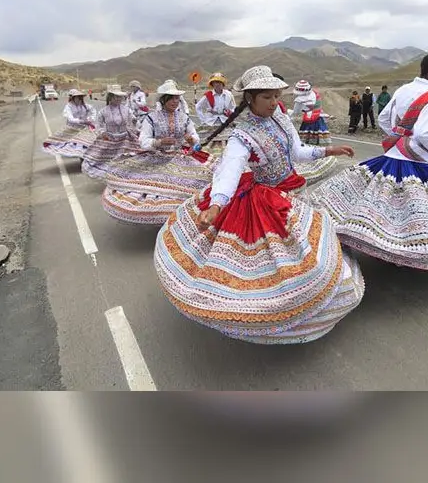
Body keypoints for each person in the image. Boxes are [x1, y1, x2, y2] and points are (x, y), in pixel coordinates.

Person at [153, 65, 364, 345]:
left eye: (277, 96)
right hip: (265, 199)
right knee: (274, 266)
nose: (275, 103)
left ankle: (318, 304)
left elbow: (297, 151)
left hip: (290, 193)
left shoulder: (280, 117)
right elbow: (230, 169)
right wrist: (217, 204)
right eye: (267, 97)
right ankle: (280, 320)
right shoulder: (242, 136)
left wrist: (327, 150)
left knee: (312, 249)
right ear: (250, 98)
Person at [307, 50, 428, 272]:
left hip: (393, 155)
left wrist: (398, 136)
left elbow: (383, 119)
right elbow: (425, 134)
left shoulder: (404, 89)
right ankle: (411, 253)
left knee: (388, 208)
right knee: (419, 211)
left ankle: (382, 248)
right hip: (419, 160)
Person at [98, 81, 215, 225]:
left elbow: (195, 137)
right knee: (153, 189)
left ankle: (182, 221)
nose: (175, 101)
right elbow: (143, 140)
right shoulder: (151, 118)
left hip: (179, 156)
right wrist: (158, 142)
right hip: (157, 157)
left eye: (177, 98)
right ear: (163, 99)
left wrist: (192, 140)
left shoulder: (184, 118)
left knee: (200, 183)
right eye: (171, 98)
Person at [80, 85, 141, 180]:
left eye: (119, 97)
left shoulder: (126, 109)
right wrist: (102, 133)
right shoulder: (103, 111)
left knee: (127, 159)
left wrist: (135, 124)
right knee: (108, 160)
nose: (118, 99)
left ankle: (124, 177)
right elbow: (98, 124)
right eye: (115, 96)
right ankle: (111, 177)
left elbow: (133, 120)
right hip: (110, 138)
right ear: (110, 97)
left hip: (125, 138)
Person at [42, 88, 98, 158]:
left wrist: (91, 118)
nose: (79, 99)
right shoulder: (68, 107)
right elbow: (70, 119)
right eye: (77, 97)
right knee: (70, 143)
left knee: (90, 140)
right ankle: (77, 154)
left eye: (80, 97)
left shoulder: (84, 105)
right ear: (73, 98)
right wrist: (82, 121)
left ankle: (84, 155)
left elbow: (93, 110)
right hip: (73, 128)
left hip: (84, 127)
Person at [194, 72, 237, 146]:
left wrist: (230, 113)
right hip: (211, 121)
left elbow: (233, 107)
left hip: (225, 119)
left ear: (223, 83)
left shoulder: (229, 95)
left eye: (219, 82)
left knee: (231, 139)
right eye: (215, 82)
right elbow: (198, 107)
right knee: (207, 141)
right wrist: (203, 120)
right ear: (212, 84)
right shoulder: (208, 95)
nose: (217, 84)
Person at [290, 79, 332, 145]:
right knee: (319, 140)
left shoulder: (300, 99)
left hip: (309, 119)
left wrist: (291, 114)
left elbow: (296, 111)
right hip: (318, 118)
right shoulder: (315, 94)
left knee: (306, 140)